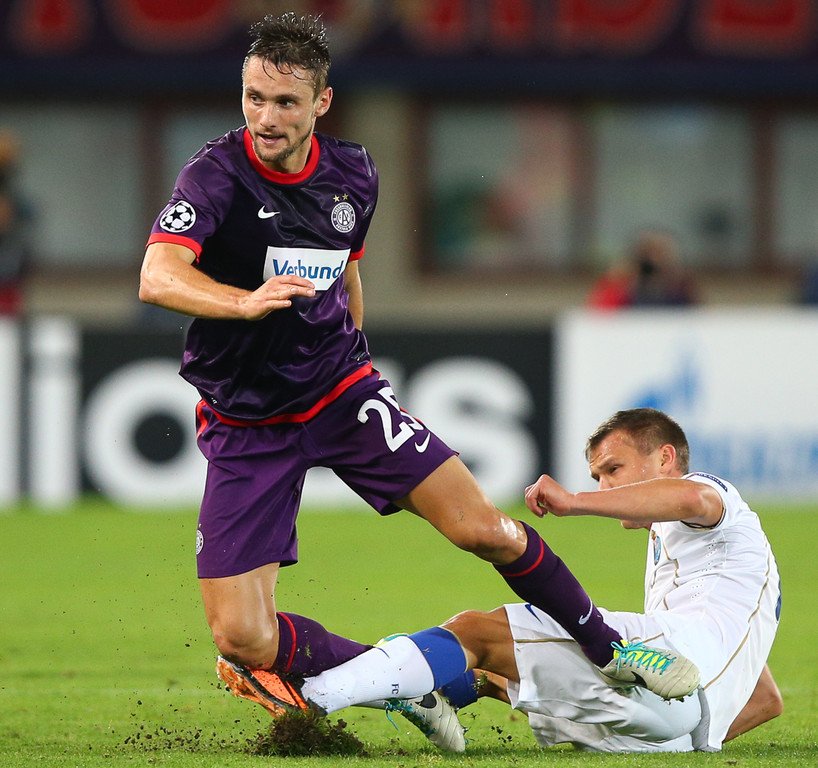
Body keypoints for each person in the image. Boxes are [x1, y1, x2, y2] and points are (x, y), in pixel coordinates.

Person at [138, 12, 697, 735]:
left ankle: (613, 649)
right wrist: (243, 302)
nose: (266, 118)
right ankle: (408, 680)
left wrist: (355, 355)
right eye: (254, 98)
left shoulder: (354, 173)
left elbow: (346, 272)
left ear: (321, 103)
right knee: (242, 638)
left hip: (340, 394)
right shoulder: (214, 175)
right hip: (246, 419)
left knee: (485, 529)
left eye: (285, 102)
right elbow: (158, 275)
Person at [290, 408, 781, 753]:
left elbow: (692, 499)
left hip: (670, 672)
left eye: (613, 469)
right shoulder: (723, 578)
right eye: (596, 477)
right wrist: (677, 738)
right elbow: (764, 700)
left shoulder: (712, 498)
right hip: (672, 725)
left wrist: (575, 501)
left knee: (475, 631)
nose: (603, 485)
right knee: (495, 671)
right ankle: (425, 694)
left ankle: (315, 694)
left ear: (666, 459)